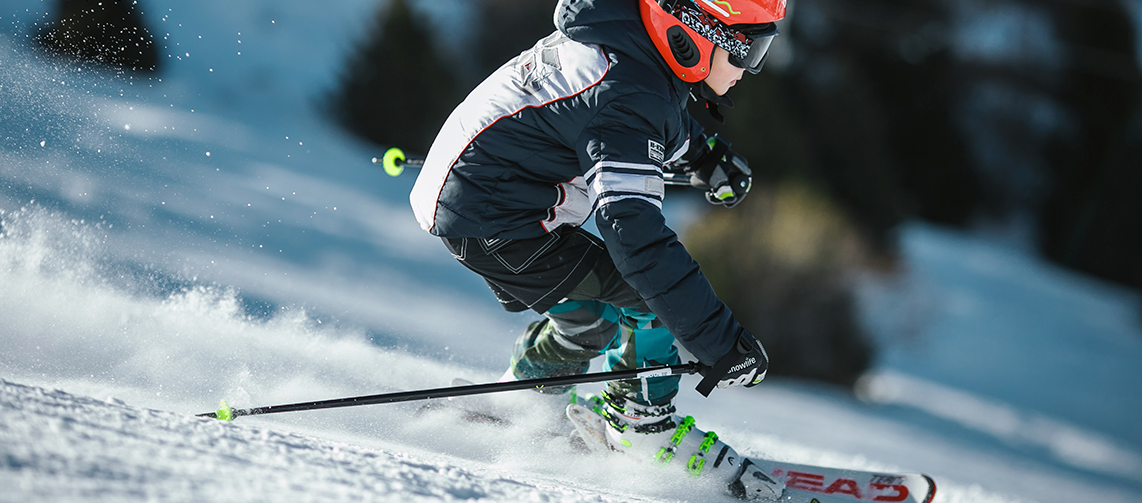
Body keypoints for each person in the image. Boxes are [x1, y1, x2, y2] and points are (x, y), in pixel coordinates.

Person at [410, 0, 785, 493]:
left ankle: (525, 399)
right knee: (647, 300)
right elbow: (637, 239)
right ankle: (642, 427)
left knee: (594, 318)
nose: (749, 69)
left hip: (480, 201)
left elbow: (647, 114)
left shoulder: (627, 44)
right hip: (494, 217)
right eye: (747, 51)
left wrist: (704, 154)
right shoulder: (627, 94)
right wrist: (719, 344)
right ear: (692, 33)